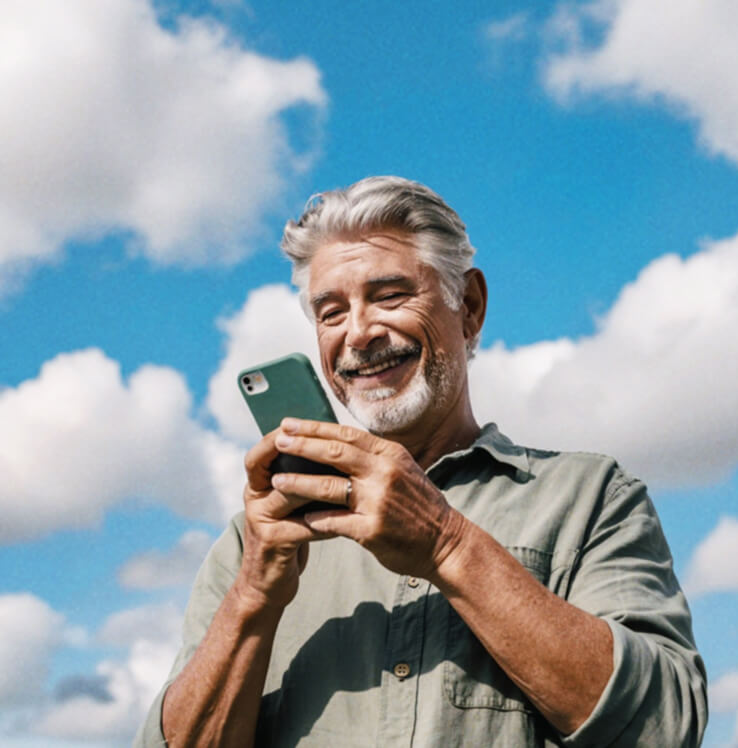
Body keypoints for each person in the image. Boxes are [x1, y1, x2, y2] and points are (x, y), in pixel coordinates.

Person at [135, 176, 707, 747]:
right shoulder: (256, 539)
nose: (358, 333)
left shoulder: (591, 496)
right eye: (331, 312)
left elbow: (663, 727)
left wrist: (446, 543)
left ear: (471, 307)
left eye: (389, 296)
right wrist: (254, 595)